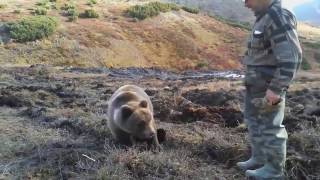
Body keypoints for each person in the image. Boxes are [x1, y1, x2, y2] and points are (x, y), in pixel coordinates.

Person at [237, 0, 302, 179]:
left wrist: (276, 89)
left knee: (270, 128)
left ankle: (274, 170)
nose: (246, 4)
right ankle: (259, 159)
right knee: (254, 123)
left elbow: (291, 57)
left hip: (268, 88)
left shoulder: (277, 16)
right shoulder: (263, 18)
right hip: (255, 87)